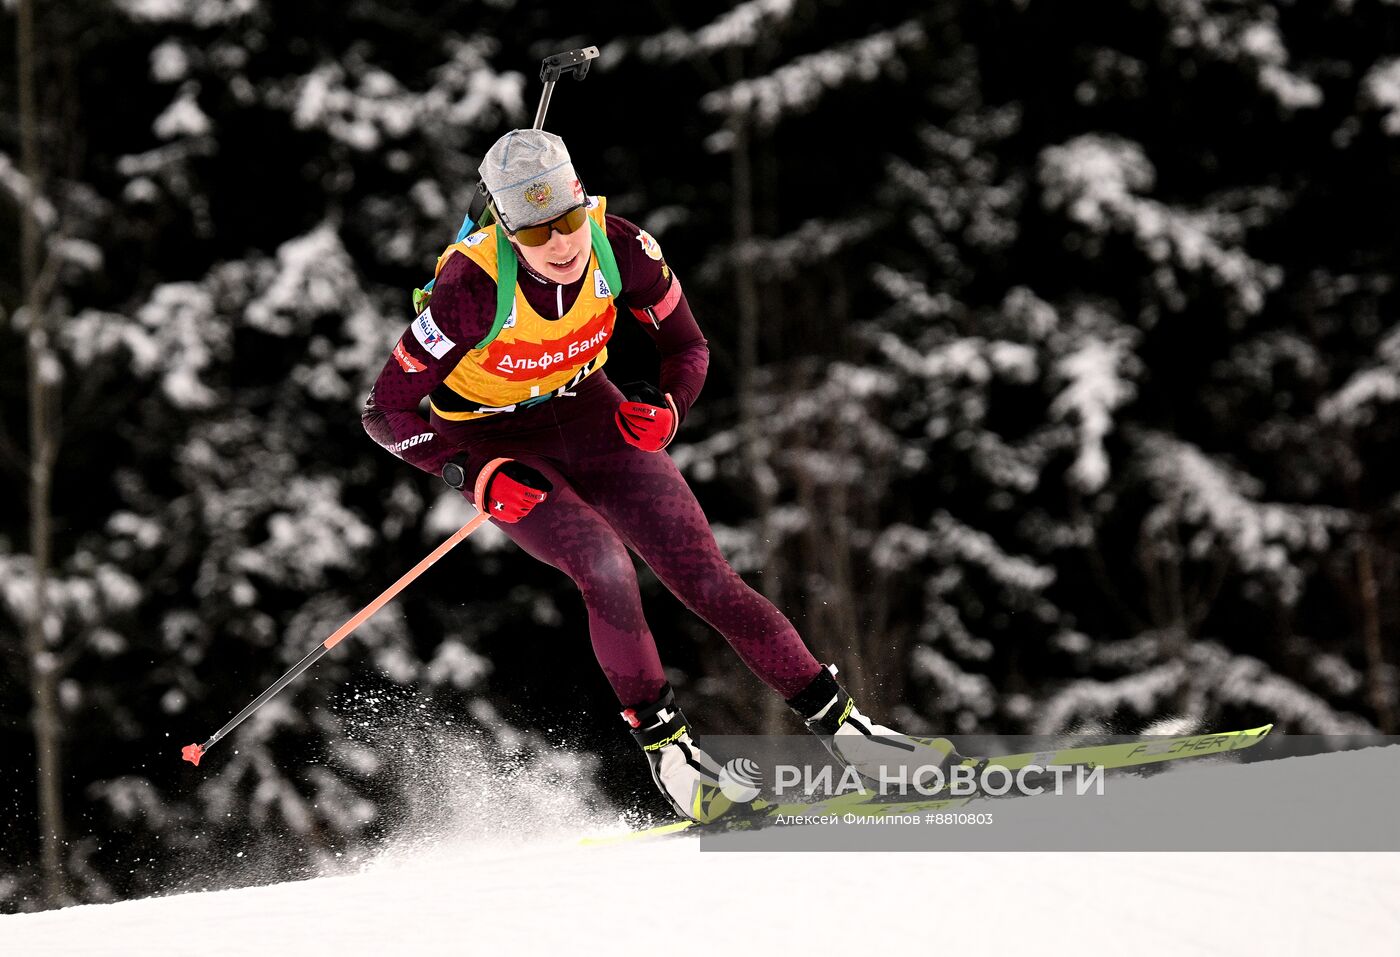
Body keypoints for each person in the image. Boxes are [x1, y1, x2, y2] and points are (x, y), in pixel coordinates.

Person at [362, 129, 958, 823]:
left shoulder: (622, 248)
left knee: (707, 576)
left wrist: (670, 406)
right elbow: (386, 410)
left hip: (588, 412)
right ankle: (675, 761)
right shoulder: (469, 290)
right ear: (506, 229)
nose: (561, 243)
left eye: (568, 219)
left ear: (583, 200)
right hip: (495, 439)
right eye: (536, 231)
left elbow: (688, 345)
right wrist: (472, 468)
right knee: (604, 568)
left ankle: (854, 736)